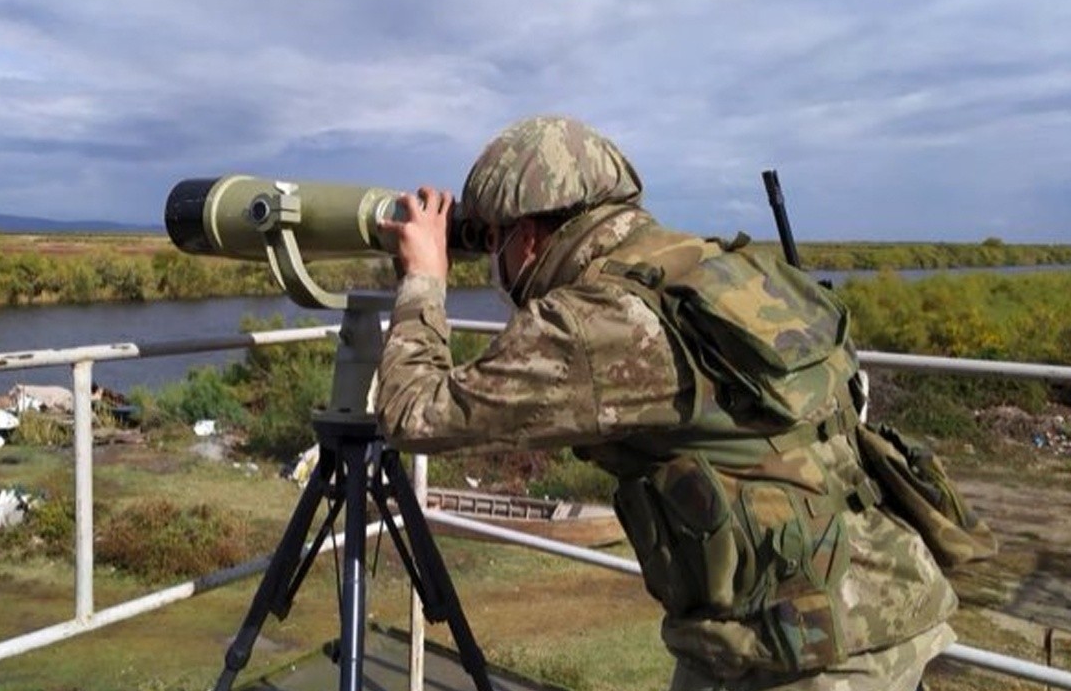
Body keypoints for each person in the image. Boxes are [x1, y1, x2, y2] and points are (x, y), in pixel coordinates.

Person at [375, 115, 957, 691]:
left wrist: (424, 277)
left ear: (526, 236)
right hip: (885, 593)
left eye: (493, 239)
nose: (493, 257)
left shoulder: (593, 320)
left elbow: (411, 414)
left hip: (806, 649)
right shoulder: (711, 265)